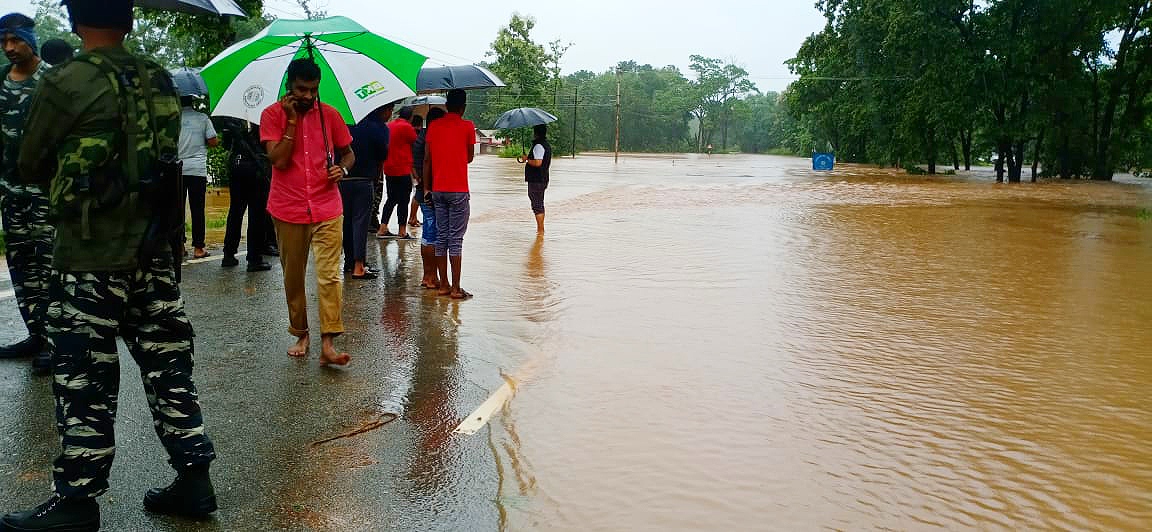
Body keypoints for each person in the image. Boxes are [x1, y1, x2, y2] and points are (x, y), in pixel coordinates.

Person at [4, 1, 219, 529]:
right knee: (168, 366)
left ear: (76, 22)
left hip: (89, 252)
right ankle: (194, 479)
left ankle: (77, 502)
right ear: (130, 19)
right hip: (152, 250)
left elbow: (27, 162)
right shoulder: (159, 78)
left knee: (84, 376)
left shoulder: (66, 80)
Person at [260, 58, 355, 366]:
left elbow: (348, 152)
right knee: (293, 277)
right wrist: (290, 121)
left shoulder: (331, 116)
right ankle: (301, 333)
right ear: (290, 86)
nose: (307, 96)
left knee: (329, 276)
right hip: (287, 207)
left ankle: (329, 342)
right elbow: (279, 160)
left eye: (313, 90)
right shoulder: (272, 115)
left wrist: (342, 168)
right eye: (302, 89)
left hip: (328, 205)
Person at [0, 12, 53, 375]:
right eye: (3, 41)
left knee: (49, 265)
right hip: (10, 192)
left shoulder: (52, 80)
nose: (9, 48)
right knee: (21, 267)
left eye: (15, 40)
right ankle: (35, 334)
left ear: (29, 40)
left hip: (46, 192)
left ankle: (54, 342)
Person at [423, 89, 475, 300]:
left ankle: (443, 285)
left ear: (446, 105)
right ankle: (456, 288)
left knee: (441, 237)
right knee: (456, 240)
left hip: (437, 190)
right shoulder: (468, 126)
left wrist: (427, 187)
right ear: (463, 107)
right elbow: (469, 158)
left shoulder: (434, 126)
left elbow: (427, 159)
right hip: (459, 191)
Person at [343, 104, 391, 280]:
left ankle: (349, 262)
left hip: (343, 179)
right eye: (389, 109)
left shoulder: (345, 123)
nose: (390, 113)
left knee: (346, 223)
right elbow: (383, 154)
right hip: (364, 180)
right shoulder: (379, 128)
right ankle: (358, 266)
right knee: (360, 223)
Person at [219, 117, 273, 271]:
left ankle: (228, 254)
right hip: (256, 167)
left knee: (236, 211)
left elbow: (225, 144)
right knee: (257, 214)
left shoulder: (232, 118)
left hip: (236, 165)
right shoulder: (264, 117)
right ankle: (254, 258)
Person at [178, 95, 218, 259]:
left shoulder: (174, 118)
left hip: (177, 170)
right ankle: (198, 248)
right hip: (197, 170)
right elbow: (213, 141)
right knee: (197, 210)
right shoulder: (202, 118)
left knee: (178, 209)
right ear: (193, 102)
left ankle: (179, 246)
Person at [415, 108, 445, 290]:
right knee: (432, 235)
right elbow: (429, 162)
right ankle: (430, 276)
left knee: (428, 235)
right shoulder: (430, 138)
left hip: (422, 191)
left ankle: (427, 275)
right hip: (430, 193)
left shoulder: (420, 137)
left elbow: (415, 165)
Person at [378, 105, 417, 239]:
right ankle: (402, 231)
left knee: (391, 199)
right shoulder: (407, 127)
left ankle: (383, 227)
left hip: (388, 169)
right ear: (410, 117)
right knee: (403, 200)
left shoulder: (389, 125)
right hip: (403, 169)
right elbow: (414, 142)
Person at [523, 123, 551, 234]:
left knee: (537, 205)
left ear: (536, 133)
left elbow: (538, 162)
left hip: (536, 180)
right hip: (542, 179)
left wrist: (526, 159)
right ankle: (540, 230)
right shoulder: (546, 145)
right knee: (539, 203)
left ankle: (540, 230)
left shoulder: (539, 146)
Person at [406, 114, 424, 228]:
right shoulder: (419, 135)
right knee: (418, 193)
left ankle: (413, 217)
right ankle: (412, 218)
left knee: (416, 192)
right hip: (417, 168)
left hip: (411, 167)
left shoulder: (410, 133)